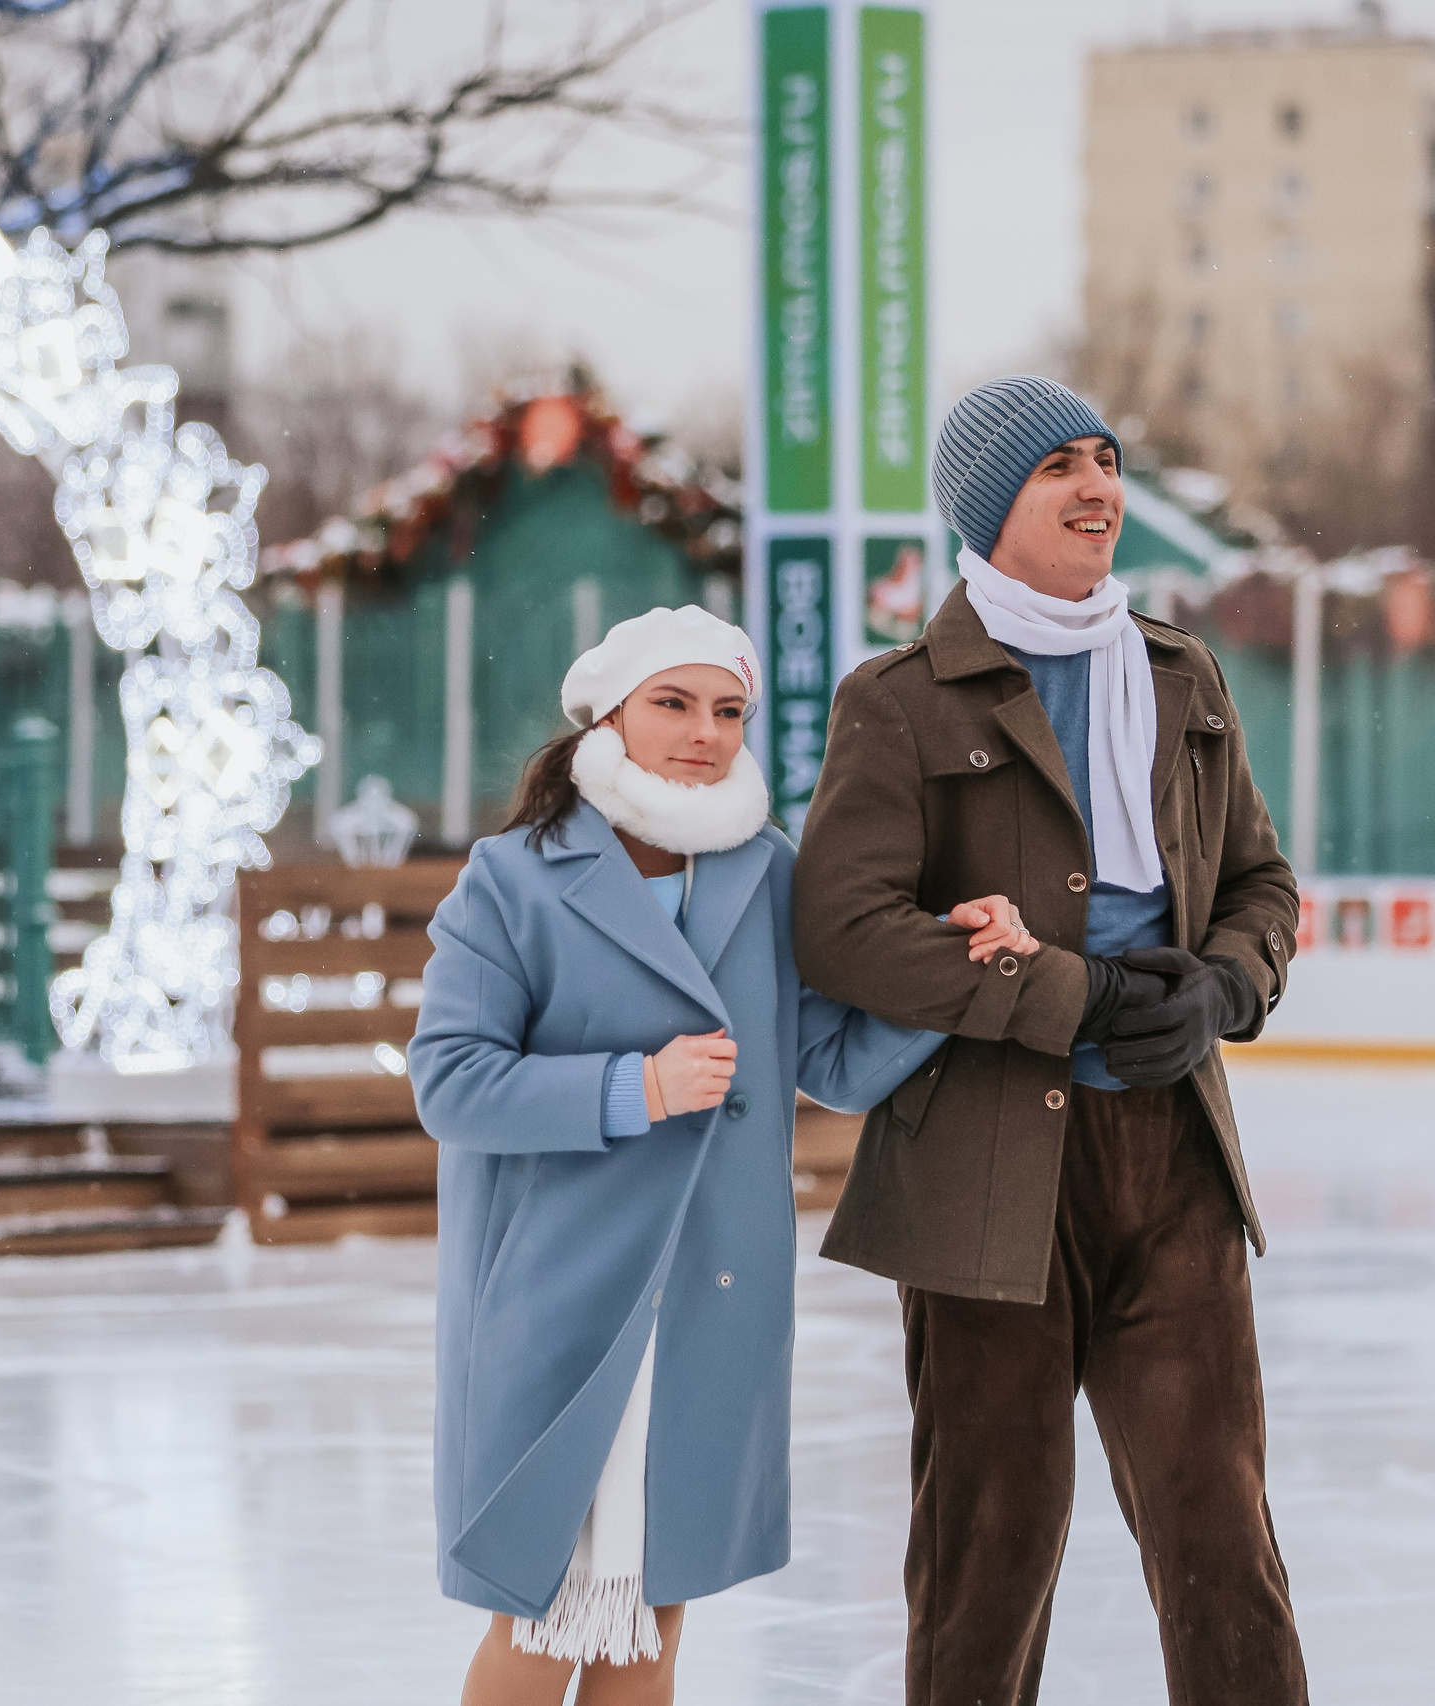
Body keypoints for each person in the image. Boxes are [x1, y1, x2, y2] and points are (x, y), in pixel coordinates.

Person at [792, 375, 1309, 1705]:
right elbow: (845, 929)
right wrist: (1063, 996)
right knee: (988, 1554)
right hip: (983, 1174)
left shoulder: (1182, 676)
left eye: (1105, 458)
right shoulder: (902, 701)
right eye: (1053, 469)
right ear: (986, 506)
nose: (1096, 487)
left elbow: (1260, 886)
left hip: (1172, 1164)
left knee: (1221, 1543)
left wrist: (1222, 991)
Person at [410, 606, 1035, 1706]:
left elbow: (833, 1063)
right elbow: (449, 1082)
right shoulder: (509, 881)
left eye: (728, 709)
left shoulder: (768, 873)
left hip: (709, 1295)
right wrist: (633, 1086)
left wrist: (963, 970)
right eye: (673, 703)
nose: (703, 731)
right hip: (567, 1302)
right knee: (543, 1616)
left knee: (650, 1624)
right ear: (608, 713)